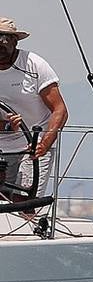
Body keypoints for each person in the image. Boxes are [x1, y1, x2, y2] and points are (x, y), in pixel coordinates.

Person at [0, 18, 68, 198]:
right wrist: (7, 126)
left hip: (34, 145)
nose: (0, 44)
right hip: (2, 147)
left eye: (4, 39)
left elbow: (60, 110)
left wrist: (44, 144)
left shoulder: (33, 64)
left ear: (15, 41)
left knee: (23, 201)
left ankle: (29, 220)